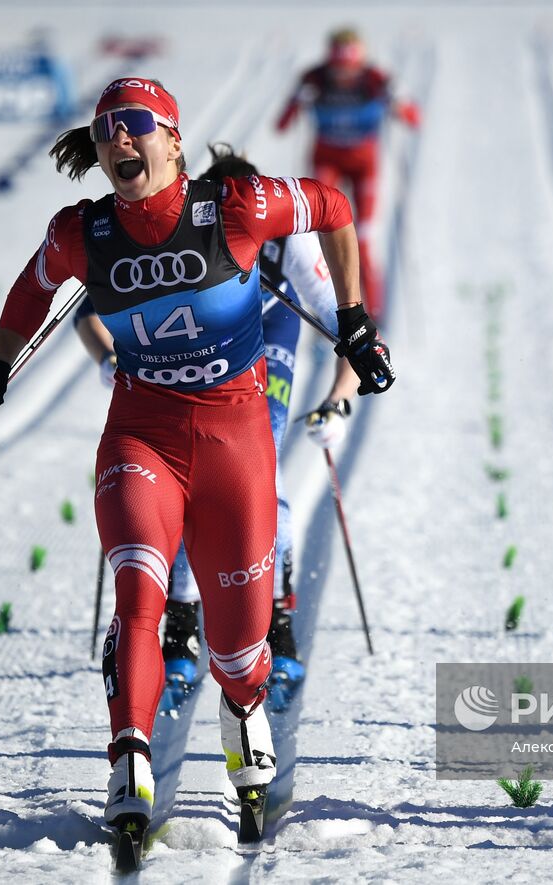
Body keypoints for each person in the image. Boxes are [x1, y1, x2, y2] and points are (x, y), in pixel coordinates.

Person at [0, 77, 394, 836]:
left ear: (174, 139)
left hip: (237, 440)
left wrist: (353, 324)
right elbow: (33, 289)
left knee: (240, 650)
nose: (121, 140)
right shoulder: (80, 234)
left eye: (137, 125)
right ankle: (129, 754)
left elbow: (335, 207)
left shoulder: (239, 207)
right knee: (139, 597)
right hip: (142, 435)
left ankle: (245, 710)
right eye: (106, 131)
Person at [74, 143, 362, 715]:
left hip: (263, 353)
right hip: (185, 366)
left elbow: (344, 323)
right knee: (176, 494)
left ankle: (276, 629)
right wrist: (113, 362)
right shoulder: (183, 231)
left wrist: (337, 402)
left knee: (257, 486)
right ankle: (180, 626)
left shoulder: (286, 238)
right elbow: (87, 313)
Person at [275, 26, 421, 322]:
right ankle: (327, 309)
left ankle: (372, 312)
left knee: (364, 238)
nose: (344, 77)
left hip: (363, 164)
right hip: (326, 160)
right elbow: (282, 126)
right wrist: (297, 100)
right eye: (339, 70)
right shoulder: (314, 77)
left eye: (350, 70)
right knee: (320, 236)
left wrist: (397, 99)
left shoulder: (375, 79)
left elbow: (414, 119)